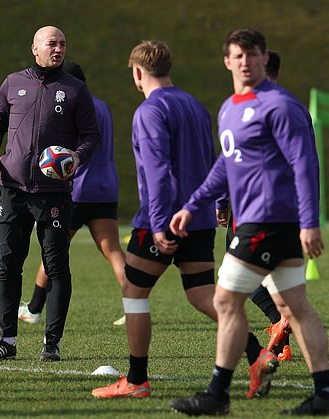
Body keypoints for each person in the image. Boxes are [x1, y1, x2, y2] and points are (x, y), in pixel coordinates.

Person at [169, 28, 329, 416]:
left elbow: (304, 163)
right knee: (294, 306)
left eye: (253, 54)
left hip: (266, 222)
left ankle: (217, 394)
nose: (245, 62)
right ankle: (326, 394)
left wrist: (309, 222)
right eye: (238, 55)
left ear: (265, 58)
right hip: (261, 221)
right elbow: (225, 165)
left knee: (225, 300)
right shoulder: (230, 107)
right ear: (227, 61)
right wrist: (195, 204)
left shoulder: (280, 105)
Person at [91, 39, 223, 399]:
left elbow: (158, 171)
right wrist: (219, 202)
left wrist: (161, 223)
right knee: (202, 295)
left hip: (161, 219)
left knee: (134, 291)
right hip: (198, 217)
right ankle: (257, 356)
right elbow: (214, 158)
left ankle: (136, 380)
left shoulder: (149, 111)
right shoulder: (195, 105)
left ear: (137, 72)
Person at [0, 26, 100, 362]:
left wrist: (77, 157)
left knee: (56, 266)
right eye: (52, 43)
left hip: (53, 192)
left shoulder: (75, 89)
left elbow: (92, 136)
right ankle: (6, 340)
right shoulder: (12, 83)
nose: (58, 49)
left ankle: (52, 342)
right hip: (13, 187)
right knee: (8, 263)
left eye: (63, 43)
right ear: (35, 48)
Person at [18, 61, 126, 327]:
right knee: (113, 250)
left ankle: (33, 308)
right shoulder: (103, 107)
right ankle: (134, 304)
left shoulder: (74, 105)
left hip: (77, 189)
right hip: (105, 188)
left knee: (54, 247)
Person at [219, 49, 293, 362]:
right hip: (289, 212)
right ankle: (287, 344)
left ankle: (278, 323)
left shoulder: (247, 108)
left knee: (230, 283)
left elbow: (229, 162)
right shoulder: (292, 108)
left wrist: (220, 201)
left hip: (253, 212)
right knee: (282, 283)